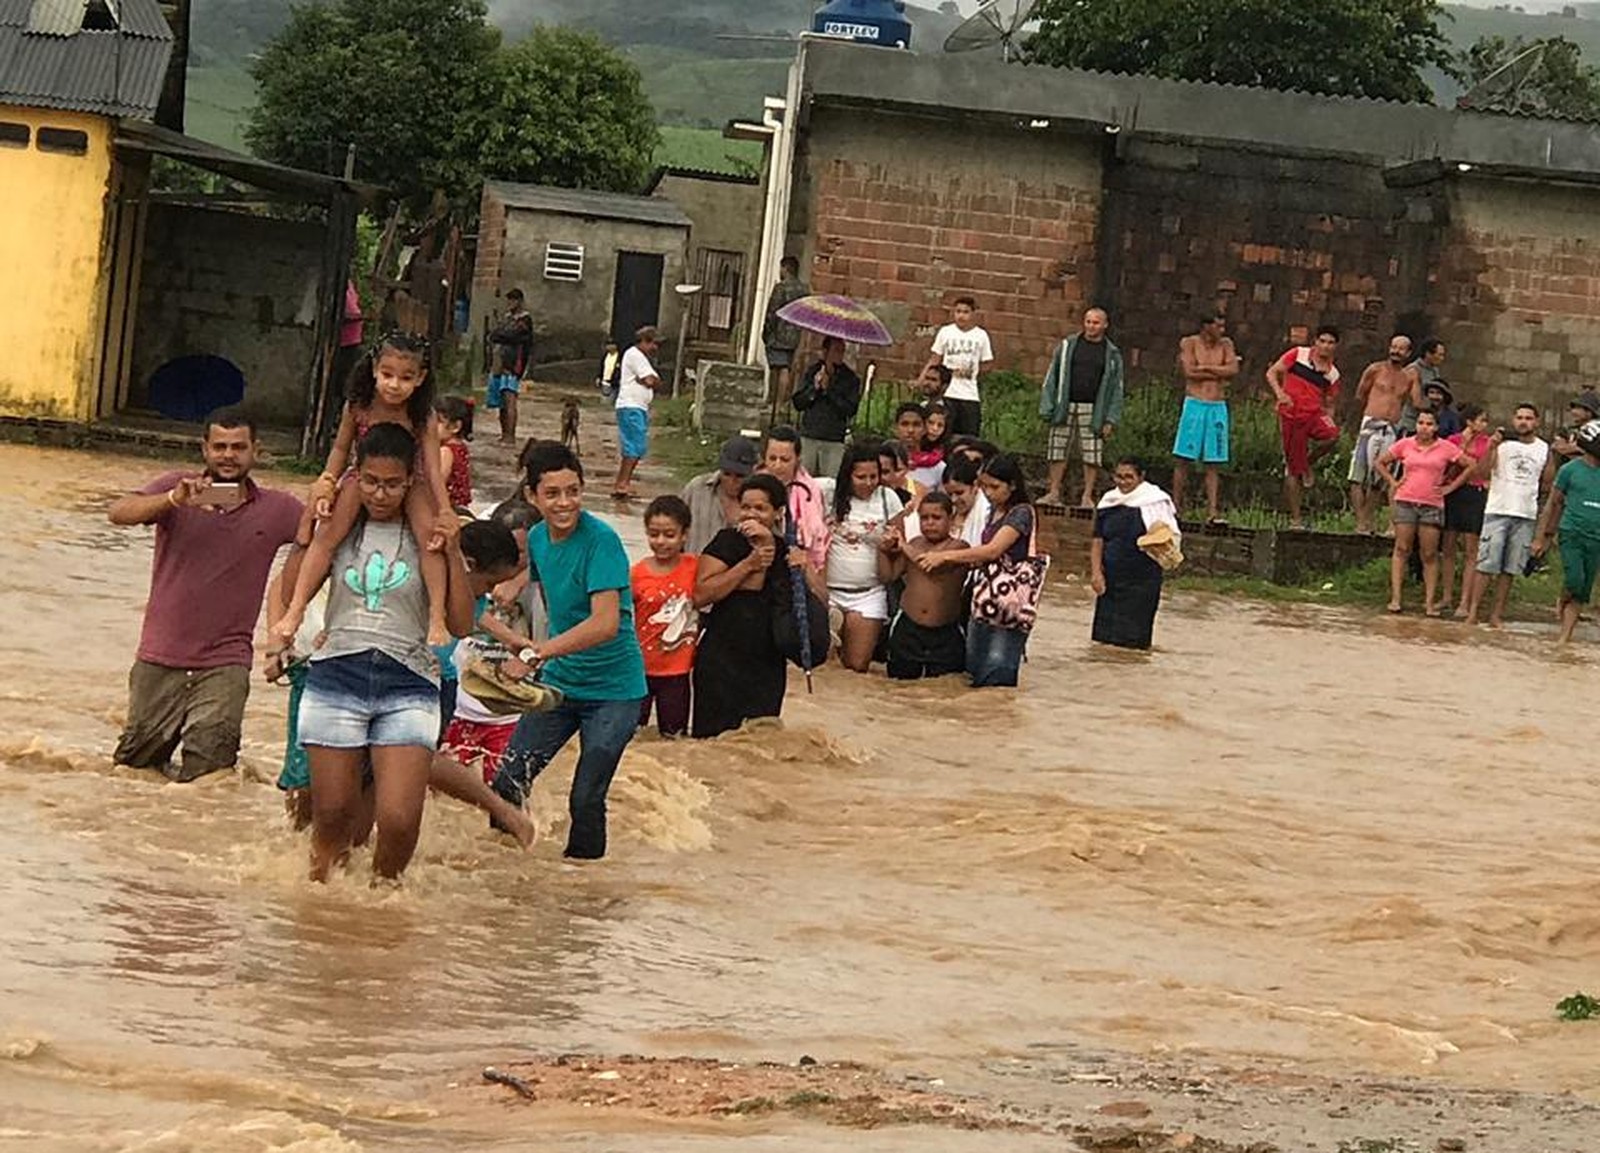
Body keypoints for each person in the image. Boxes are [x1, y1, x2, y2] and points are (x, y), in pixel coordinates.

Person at [282, 423, 478, 882]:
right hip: (337, 675)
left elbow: (462, 624)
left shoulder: (427, 535)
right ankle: (324, 896)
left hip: (409, 681)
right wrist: (307, 528)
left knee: (398, 819)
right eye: (370, 482)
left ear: (410, 481)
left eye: (392, 484)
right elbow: (295, 585)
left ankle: (383, 894)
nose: (380, 494)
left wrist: (451, 551)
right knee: (331, 812)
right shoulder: (342, 527)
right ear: (358, 477)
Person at [108, 409, 305, 782]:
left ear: (255, 451)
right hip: (159, 658)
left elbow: (323, 540)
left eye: (238, 447)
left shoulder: (278, 509)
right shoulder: (176, 490)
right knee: (132, 771)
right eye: (220, 447)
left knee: (210, 779)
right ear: (205, 449)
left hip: (225, 663)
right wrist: (171, 499)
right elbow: (119, 513)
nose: (228, 455)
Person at [490, 443, 648, 860]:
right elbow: (541, 566)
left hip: (615, 692)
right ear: (532, 497)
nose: (565, 503)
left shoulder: (603, 541)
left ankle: (581, 893)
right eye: (553, 494)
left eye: (573, 491)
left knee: (585, 799)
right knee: (507, 783)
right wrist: (513, 584)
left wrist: (537, 654)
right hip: (562, 685)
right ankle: (504, 874)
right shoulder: (539, 537)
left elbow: (605, 623)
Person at [278, 331, 452, 648]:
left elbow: (431, 466)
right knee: (326, 535)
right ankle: (296, 608)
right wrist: (327, 483)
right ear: (374, 369)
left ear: (421, 378)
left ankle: (436, 616)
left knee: (430, 541)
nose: (394, 385)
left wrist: (445, 510)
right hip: (362, 477)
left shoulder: (421, 415)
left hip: (408, 481)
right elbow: (341, 449)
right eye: (387, 375)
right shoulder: (358, 406)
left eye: (405, 377)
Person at [692, 473, 812, 738]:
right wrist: (748, 564)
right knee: (709, 745)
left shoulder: (788, 551)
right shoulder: (726, 541)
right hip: (720, 661)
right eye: (745, 507)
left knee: (760, 745)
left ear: (778, 513)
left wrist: (805, 569)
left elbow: (817, 601)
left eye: (760, 508)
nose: (751, 515)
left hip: (767, 666)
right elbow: (701, 595)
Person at [916, 454, 1038, 688]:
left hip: (1008, 603)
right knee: (975, 667)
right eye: (984, 486)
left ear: (1012, 485)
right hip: (984, 597)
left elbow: (993, 551)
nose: (989, 493)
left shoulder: (1021, 513)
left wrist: (944, 556)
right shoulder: (994, 511)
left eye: (995, 486)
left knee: (997, 668)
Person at [1374, 411, 1472, 616]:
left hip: (1431, 504)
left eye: (1429, 423)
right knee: (1402, 548)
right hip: (1406, 500)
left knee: (1429, 553)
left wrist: (1450, 487)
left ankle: (1428, 602)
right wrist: (1393, 482)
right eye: (1420, 423)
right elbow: (1380, 462)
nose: (1424, 427)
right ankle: (1396, 598)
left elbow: (1469, 465)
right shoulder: (1405, 444)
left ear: (1436, 427)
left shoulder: (1445, 447)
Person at [1467, 404, 1553, 628]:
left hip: (1525, 514)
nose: (1523, 422)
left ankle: (1497, 614)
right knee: (1486, 564)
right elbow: (1482, 473)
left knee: (1510, 568)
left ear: (1537, 422)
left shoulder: (1544, 449)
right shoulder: (1500, 444)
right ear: (1513, 420)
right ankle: (1473, 612)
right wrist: (1492, 448)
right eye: (1520, 417)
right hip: (1498, 509)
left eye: (1528, 418)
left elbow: (1547, 484)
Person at [826, 445, 905, 672]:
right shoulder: (828, 492)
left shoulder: (887, 498)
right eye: (861, 477)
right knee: (824, 668)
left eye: (874, 476)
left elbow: (902, 545)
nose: (869, 482)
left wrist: (890, 546)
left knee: (856, 668)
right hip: (829, 591)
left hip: (869, 593)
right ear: (847, 475)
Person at [1091, 457, 1180, 650]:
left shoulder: (1155, 502)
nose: (1123, 482)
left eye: (1129, 477)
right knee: (1103, 642)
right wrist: (1096, 573)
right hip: (1111, 581)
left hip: (1142, 583)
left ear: (1141, 477)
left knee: (1134, 643)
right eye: (1119, 477)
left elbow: (1168, 538)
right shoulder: (1108, 502)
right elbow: (1098, 540)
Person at [1040, 307, 1125, 509]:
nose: (1091, 326)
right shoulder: (1068, 346)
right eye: (1088, 321)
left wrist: (1110, 419)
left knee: (1092, 453)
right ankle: (1053, 491)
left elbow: (1116, 388)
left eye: (1095, 322)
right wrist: (1047, 404)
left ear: (1105, 325)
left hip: (1094, 408)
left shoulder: (1111, 353)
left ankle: (1087, 496)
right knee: (1057, 449)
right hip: (1065, 403)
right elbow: (1053, 376)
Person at [878, 492, 968, 679]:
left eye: (936, 517)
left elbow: (928, 565)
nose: (930, 523)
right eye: (924, 518)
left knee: (944, 691)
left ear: (951, 519)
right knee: (899, 687)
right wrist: (883, 550)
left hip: (946, 632)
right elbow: (889, 575)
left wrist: (902, 545)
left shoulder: (959, 548)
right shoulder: (915, 544)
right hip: (908, 629)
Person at [632, 496, 698, 738]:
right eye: (653, 534)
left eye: (669, 535)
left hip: (677, 672)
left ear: (684, 535)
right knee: (631, 737)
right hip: (639, 669)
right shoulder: (636, 573)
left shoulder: (695, 567)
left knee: (674, 738)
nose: (660, 542)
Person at [1267, 325, 1343, 530]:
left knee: (1333, 436)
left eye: (1330, 343)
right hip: (1292, 415)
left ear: (1335, 346)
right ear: (1315, 342)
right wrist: (1280, 394)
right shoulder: (1298, 354)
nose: (1325, 346)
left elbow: (1331, 402)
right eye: (1323, 341)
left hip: (1314, 413)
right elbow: (1272, 373)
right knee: (1294, 469)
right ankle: (1296, 518)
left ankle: (1308, 461)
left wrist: (1330, 418)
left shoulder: (1333, 373)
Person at [1534, 419, 1600, 642]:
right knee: (1574, 580)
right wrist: (1542, 537)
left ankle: (1565, 637)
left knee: (1583, 590)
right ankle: (1564, 596)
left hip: (1597, 538)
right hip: (1572, 533)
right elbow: (1553, 503)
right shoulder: (1570, 470)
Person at [1347, 334, 1421, 534]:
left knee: (1379, 478)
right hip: (1370, 424)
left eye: (1401, 348)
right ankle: (1360, 521)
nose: (1396, 351)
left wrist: (1416, 379)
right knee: (1358, 475)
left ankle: (1368, 519)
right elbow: (1360, 395)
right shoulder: (1375, 369)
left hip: (1392, 428)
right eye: (1394, 347)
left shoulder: (1409, 376)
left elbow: (1416, 403)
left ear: (1408, 353)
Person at [1170, 312, 1239, 523]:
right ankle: (1175, 507)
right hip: (1195, 404)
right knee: (1183, 458)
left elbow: (1233, 369)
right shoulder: (1190, 343)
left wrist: (1207, 368)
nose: (1221, 331)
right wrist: (1220, 372)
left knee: (1214, 461)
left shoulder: (1226, 344)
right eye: (1217, 326)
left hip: (1217, 405)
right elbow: (1190, 372)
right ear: (1205, 327)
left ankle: (1212, 511)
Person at [1441, 403, 1493, 618]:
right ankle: (1446, 597)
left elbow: (1483, 469)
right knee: (1449, 546)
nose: (1484, 424)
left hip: (1474, 492)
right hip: (1453, 492)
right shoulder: (1452, 440)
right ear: (1470, 421)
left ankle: (1465, 600)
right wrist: (1462, 445)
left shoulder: (1487, 443)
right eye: (1480, 419)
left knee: (1471, 549)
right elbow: (1447, 465)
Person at [791, 335, 861, 480]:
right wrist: (815, 389)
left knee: (830, 484)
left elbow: (850, 409)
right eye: (836, 350)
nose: (840, 355)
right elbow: (798, 402)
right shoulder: (812, 371)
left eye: (842, 351)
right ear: (825, 351)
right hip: (810, 434)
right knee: (804, 480)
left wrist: (829, 391)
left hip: (833, 438)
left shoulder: (850, 379)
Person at [761, 427, 830, 571]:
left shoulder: (811, 491)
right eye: (772, 458)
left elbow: (817, 537)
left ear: (798, 460)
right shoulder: (753, 487)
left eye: (785, 460)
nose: (777, 465)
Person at [924, 296, 994, 437]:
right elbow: (935, 358)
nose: (961, 316)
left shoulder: (981, 336)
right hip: (947, 392)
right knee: (945, 434)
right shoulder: (946, 332)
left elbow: (988, 363)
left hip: (969, 394)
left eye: (965, 312)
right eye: (958, 311)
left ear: (973, 314)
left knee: (968, 436)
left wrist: (973, 372)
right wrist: (922, 379)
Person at [682, 436, 759, 555]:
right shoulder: (696, 489)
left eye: (740, 476)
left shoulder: (761, 500)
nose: (732, 481)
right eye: (726, 474)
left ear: (754, 471)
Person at [612, 326, 663, 501]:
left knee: (635, 447)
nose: (655, 348)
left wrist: (650, 381)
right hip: (631, 405)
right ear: (645, 341)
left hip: (638, 406)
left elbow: (654, 381)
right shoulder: (635, 355)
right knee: (634, 447)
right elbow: (651, 380)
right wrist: (649, 381)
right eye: (653, 343)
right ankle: (622, 484)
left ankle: (623, 483)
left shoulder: (642, 358)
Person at [762, 255, 809, 419]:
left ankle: (775, 403)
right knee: (787, 368)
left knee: (778, 368)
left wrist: (767, 331)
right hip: (795, 335)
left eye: (781, 268)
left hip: (779, 334)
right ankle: (783, 403)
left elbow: (772, 312)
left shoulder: (780, 288)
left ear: (786, 269)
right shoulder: (804, 290)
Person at [487, 289, 533, 445]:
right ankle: (504, 433)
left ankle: (510, 435)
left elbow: (512, 336)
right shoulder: (507, 318)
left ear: (519, 301)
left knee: (510, 398)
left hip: (513, 364)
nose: (510, 304)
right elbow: (494, 334)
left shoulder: (525, 320)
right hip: (499, 363)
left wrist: (501, 335)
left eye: (513, 301)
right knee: (501, 402)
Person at [1400, 338, 1447, 436]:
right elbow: (1416, 402)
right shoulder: (1413, 370)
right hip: (1410, 423)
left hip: (1427, 422)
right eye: (1439, 354)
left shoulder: (1434, 371)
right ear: (1428, 354)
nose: (1442, 358)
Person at [435, 396, 473, 511]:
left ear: (455, 426)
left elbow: (437, 484)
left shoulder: (446, 451)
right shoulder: (461, 448)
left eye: (438, 422)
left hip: (449, 508)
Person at [909, 402, 949, 493]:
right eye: (931, 423)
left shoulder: (943, 458)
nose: (935, 429)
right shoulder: (905, 452)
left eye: (940, 425)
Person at [1552, 391, 1600, 460]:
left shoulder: (1597, 430)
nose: (1573, 412)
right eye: (1573, 408)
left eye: (1578, 408)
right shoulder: (1568, 430)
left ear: (1589, 412)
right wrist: (1578, 449)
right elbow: (1557, 447)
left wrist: (1578, 449)